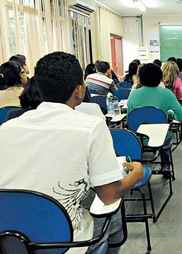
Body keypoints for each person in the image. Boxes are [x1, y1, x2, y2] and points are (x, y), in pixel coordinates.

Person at [0, 52, 144, 254]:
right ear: (79, 90)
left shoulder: (6, 128)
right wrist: (137, 173)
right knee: (111, 218)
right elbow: (109, 195)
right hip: (66, 243)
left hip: (9, 242)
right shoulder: (91, 127)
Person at [127, 63, 182, 175]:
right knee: (166, 138)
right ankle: (166, 165)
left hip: (139, 138)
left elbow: (129, 119)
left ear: (140, 78)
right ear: (160, 78)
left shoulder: (133, 94)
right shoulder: (167, 94)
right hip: (161, 138)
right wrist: (170, 114)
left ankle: (136, 167)